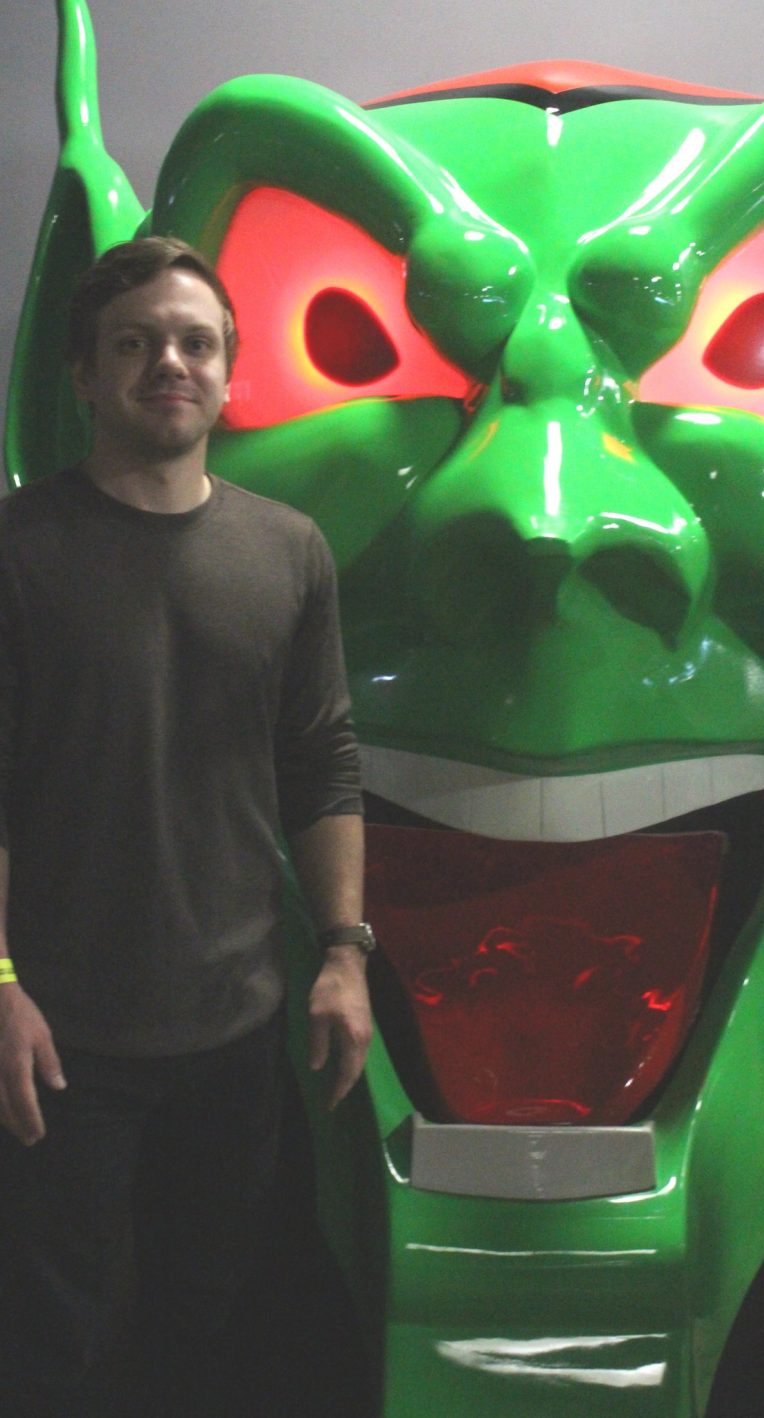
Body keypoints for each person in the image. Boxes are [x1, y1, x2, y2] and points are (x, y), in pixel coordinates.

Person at [0, 236, 373, 1416]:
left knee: (204, 1342)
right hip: (58, 1041)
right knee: (49, 1350)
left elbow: (322, 763)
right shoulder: (16, 553)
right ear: (84, 374)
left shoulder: (288, 551)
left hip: (236, 1034)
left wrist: (344, 951)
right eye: (136, 341)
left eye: (195, 341)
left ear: (228, 372)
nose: (170, 360)